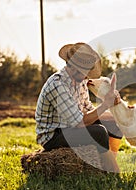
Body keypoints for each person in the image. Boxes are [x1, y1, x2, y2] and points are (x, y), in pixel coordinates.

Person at [35, 42, 122, 173]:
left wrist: (118, 114)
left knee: (115, 124)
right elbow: (80, 122)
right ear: (74, 68)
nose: (88, 76)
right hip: (53, 135)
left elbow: (89, 110)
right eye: (85, 72)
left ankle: (106, 163)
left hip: (71, 126)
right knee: (99, 132)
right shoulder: (58, 85)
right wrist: (105, 105)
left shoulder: (80, 82)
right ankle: (113, 173)